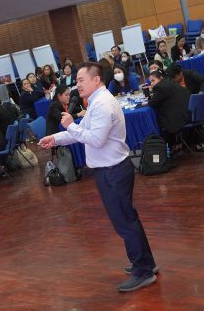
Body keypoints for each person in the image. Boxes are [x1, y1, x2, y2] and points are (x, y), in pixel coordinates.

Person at [39, 62, 157, 292]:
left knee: (124, 223)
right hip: (113, 169)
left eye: (81, 80)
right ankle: (146, 263)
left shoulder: (102, 104)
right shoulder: (97, 102)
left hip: (112, 171)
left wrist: (71, 126)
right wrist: (56, 138)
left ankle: (143, 271)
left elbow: (95, 140)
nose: (77, 85)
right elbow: (83, 132)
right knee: (128, 219)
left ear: (96, 79)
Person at [147, 70, 191, 147]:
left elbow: (152, 103)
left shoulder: (160, 87)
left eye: (153, 81)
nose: (152, 84)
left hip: (178, 118)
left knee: (159, 120)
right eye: (150, 82)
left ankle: (167, 146)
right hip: (188, 113)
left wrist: (151, 92)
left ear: (161, 78)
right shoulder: (169, 82)